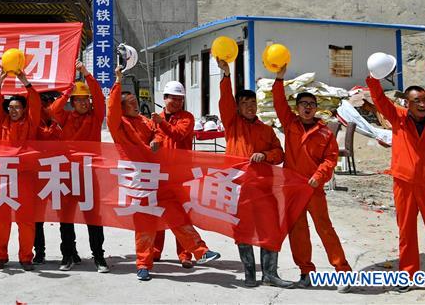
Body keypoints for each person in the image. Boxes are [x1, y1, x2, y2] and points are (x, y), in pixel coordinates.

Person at [107, 66, 219, 281]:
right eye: (131, 104)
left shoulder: (147, 120)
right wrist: (118, 81)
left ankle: (199, 252)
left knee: (177, 214)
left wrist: (157, 141)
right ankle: (144, 264)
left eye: (136, 103)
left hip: (161, 177)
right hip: (139, 181)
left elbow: (158, 134)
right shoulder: (119, 125)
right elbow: (111, 110)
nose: (136, 106)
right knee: (146, 224)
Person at [365, 75, 425, 298]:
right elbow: (379, 99)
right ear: (407, 103)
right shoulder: (398, 118)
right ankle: (407, 277)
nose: (423, 104)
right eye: (417, 100)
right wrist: (373, 78)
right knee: (406, 232)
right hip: (404, 184)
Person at [272, 66, 352, 291]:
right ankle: (306, 272)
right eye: (303, 104)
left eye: (311, 105)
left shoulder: (325, 132)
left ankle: (343, 272)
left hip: (313, 188)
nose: (308, 108)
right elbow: (278, 103)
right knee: (297, 231)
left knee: (324, 228)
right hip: (293, 189)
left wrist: (318, 177)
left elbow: (330, 159)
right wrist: (279, 78)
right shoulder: (290, 124)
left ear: (316, 108)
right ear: (296, 109)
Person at [216, 59, 293, 288]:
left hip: (263, 187)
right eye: (245, 103)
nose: (250, 106)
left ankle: (270, 274)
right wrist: (226, 75)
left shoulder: (266, 130)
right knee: (243, 231)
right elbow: (224, 102)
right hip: (238, 188)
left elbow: (279, 154)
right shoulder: (232, 125)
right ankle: (250, 274)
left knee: (269, 228)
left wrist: (265, 155)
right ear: (238, 107)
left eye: (253, 102)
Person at [45, 61, 109, 273]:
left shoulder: (95, 116)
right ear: (72, 102)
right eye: (78, 100)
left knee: (93, 216)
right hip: (67, 173)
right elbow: (52, 110)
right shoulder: (66, 117)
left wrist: (86, 74)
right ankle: (68, 255)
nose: (83, 103)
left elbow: (100, 97)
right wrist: (67, 92)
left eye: (85, 100)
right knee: (65, 216)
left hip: (89, 173)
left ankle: (99, 257)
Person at [150, 81, 217, 270]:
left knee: (181, 215)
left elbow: (178, 134)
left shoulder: (187, 117)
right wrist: (155, 140)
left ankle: (185, 255)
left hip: (182, 175)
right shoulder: (158, 118)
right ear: (165, 99)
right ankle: (155, 251)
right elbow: (155, 136)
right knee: (158, 214)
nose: (178, 102)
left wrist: (160, 123)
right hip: (160, 173)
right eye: (174, 99)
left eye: (181, 99)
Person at [0, 70, 42, 271]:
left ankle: (26, 258)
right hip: (3, 176)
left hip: (26, 177)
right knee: (1, 219)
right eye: (10, 107)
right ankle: (1, 256)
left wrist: (25, 82)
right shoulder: (2, 123)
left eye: (17, 107)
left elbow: (35, 102)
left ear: (23, 109)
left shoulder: (31, 122)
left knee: (26, 220)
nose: (13, 111)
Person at [32, 89, 64, 265]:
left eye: (49, 101)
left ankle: (68, 251)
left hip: (57, 170)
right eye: (43, 101)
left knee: (64, 215)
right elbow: (44, 134)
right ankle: (39, 251)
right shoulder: (34, 120)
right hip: (39, 172)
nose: (47, 105)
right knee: (38, 216)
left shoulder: (60, 119)